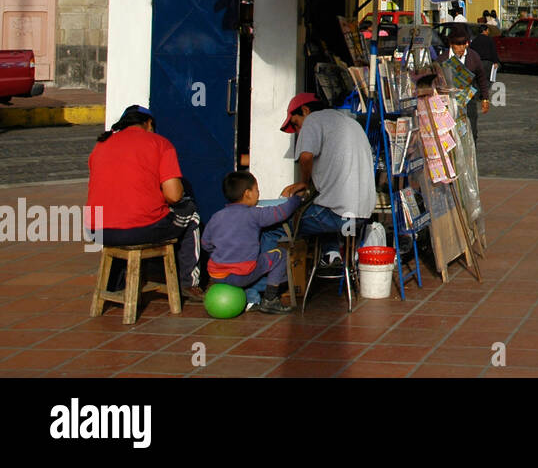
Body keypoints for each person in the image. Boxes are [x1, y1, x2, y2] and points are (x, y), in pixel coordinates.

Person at [86, 105, 204, 300]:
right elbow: (173, 196)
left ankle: (115, 283)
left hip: (96, 230)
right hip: (138, 230)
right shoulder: (159, 143)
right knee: (190, 213)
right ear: (148, 123)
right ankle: (189, 284)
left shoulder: (101, 144)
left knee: (125, 219)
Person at [279, 92, 376, 264]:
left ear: (305, 110)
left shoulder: (312, 120)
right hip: (362, 214)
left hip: (338, 216)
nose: (298, 131)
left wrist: (304, 182)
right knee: (320, 205)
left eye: (296, 124)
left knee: (281, 223)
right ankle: (331, 254)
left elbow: (306, 157)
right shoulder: (350, 122)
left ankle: (266, 284)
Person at [202, 171, 303, 315]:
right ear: (248, 193)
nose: (258, 194)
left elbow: (206, 243)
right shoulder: (254, 214)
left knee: (250, 262)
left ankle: (251, 298)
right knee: (281, 255)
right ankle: (270, 299)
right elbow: (281, 212)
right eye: (257, 190)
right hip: (241, 276)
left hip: (217, 276)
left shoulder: (216, 217)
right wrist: (296, 200)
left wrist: (223, 255)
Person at [438, 25, 492, 140]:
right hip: (449, 102)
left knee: (472, 133)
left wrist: (485, 98)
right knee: (452, 134)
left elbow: (481, 78)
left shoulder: (473, 57)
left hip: (468, 99)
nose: (462, 47)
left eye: (464, 44)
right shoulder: (442, 59)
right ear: (451, 44)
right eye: (458, 44)